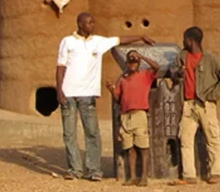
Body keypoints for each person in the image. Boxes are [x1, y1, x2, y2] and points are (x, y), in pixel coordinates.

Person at [56, 12, 155, 181]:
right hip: (69, 94)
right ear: (80, 24)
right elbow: (60, 67)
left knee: (92, 132)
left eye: (93, 22)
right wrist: (59, 90)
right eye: (88, 22)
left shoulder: (98, 42)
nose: (92, 25)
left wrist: (141, 37)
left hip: (88, 95)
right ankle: (75, 170)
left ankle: (94, 170)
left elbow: (119, 40)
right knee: (69, 133)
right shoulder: (68, 42)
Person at [169, 27, 220, 186]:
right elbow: (173, 72)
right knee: (185, 139)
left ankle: (215, 172)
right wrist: (177, 74)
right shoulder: (183, 56)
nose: (183, 42)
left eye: (185, 39)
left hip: (206, 105)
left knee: (212, 138)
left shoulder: (210, 59)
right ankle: (189, 175)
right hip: (188, 105)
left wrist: (213, 96)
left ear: (191, 40)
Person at [106, 50, 160, 186]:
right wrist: (111, 89)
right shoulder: (123, 79)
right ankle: (133, 176)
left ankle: (144, 177)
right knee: (129, 148)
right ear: (127, 63)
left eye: (135, 61)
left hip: (139, 114)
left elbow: (157, 68)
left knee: (143, 147)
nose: (133, 63)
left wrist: (141, 56)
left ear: (139, 63)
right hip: (126, 116)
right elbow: (118, 98)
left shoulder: (145, 75)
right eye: (130, 61)